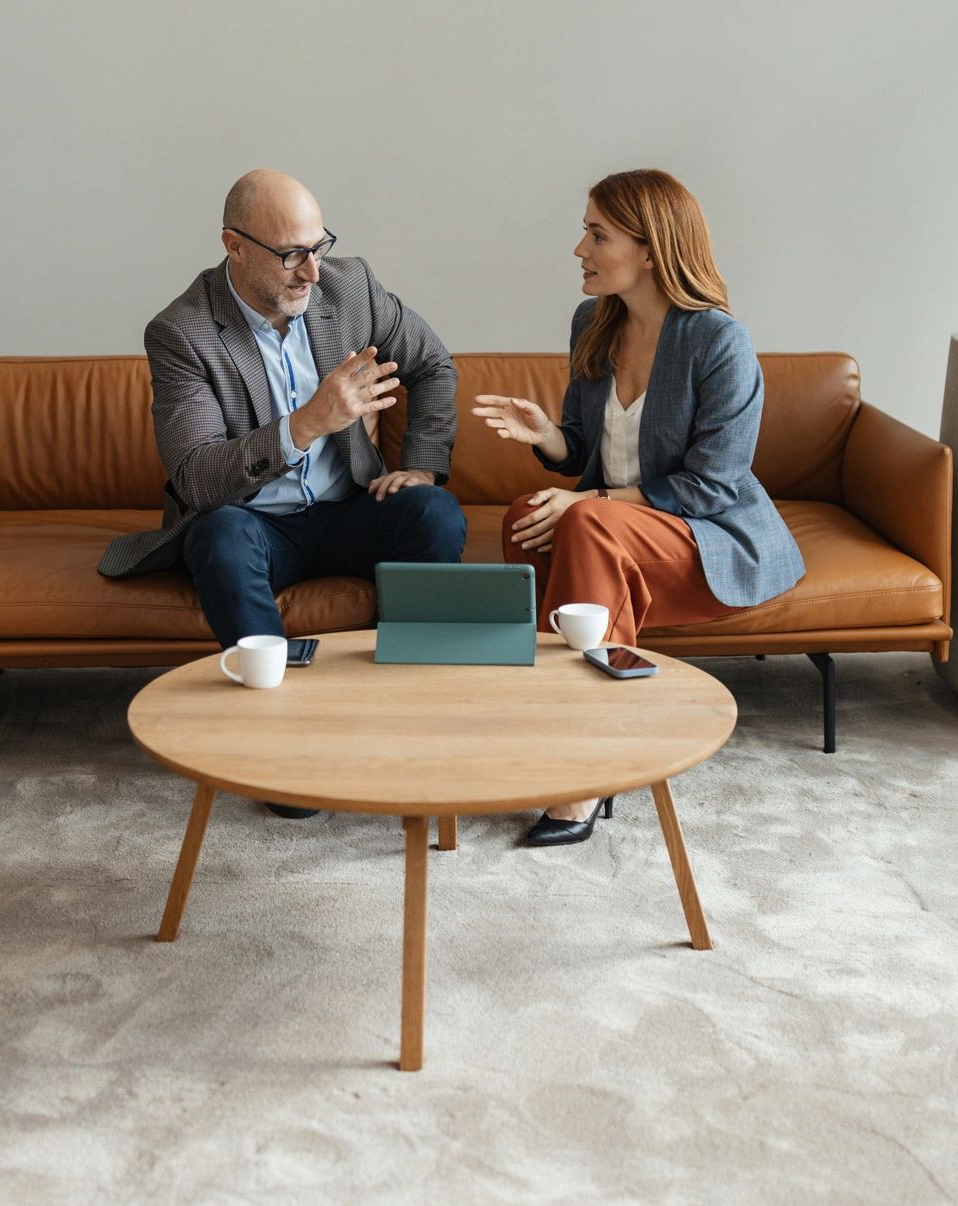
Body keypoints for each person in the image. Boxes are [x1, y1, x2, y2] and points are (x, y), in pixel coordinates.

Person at [100, 170, 466, 814]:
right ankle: (285, 746)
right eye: (292, 254)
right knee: (216, 536)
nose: (312, 272)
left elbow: (434, 364)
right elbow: (198, 478)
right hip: (251, 525)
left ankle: (408, 713)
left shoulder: (351, 288)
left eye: (318, 246)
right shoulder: (182, 333)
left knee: (433, 514)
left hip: (349, 508)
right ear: (233, 246)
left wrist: (424, 467)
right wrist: (309, 422)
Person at [472, 169, 804, 848]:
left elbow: (711, 487)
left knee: (584, 519)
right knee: (527, 515)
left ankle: (582, 771)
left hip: (707, 537)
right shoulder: (592, 322)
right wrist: (547, 437)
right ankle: (553, 714)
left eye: (597, 234)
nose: (579, 249)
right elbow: (583, 456)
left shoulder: (718, 343)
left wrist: (587, 501)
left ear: (650, 250)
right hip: (619, 535)